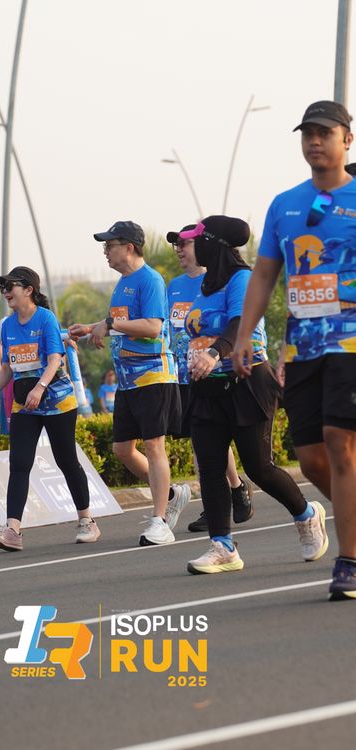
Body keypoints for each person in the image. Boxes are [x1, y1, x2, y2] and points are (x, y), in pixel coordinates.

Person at [233, 100, 356, 600]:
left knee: (340, 440)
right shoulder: (284, 204)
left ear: (347, 139)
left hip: (351, 342)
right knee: (309, 459)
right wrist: (244, 335)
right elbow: (265, 274)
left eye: (325, 132)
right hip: (303, 348)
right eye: (307, 133)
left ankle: (349, 562)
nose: (314, 141)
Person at [176, 216, 328, 576]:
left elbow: (240, 322)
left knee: (258, 467)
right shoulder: (205, 285)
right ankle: (223, 546)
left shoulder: (241, 279)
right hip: (207, 390)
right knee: (211, 469)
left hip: (246, 384)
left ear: (214, 243)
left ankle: (307, 515)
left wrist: (213, 354)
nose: (190, 246)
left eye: (196, 239)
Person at [69, 220, 181, 546]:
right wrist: (91, 327)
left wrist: (108, 324)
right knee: (122, 450)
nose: (105, 251)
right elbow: (121, 323)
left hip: (153, 375)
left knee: (154, 445)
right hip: (128, 381)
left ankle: (160, 521)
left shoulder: (150, 280)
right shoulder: (122, 283)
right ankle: (171, 495)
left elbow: (152, 327)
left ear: (129, 247)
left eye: (110, 245)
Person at [0, 266, 100, 551]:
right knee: (19, 463)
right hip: (25, 404)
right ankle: (13, 530)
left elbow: (55, 358)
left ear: (29, 290)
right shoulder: (7, 325)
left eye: (10, 286)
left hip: (57, 400)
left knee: (66, 460)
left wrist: (40, 387)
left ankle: (87, 521)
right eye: (3, 287)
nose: (5, 292)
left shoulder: (46, 318)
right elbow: (8, 367)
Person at [164, 225, 253, 533]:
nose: (179, 249)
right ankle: (221, 500)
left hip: (222, 371)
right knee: (200, 442)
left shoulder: (219, 280)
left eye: (185, 244)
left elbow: (240, 323)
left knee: (217, 441)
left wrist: (216, 354)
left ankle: (235, 487)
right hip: (186, 372)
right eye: (176, 244)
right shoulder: (174, 286)